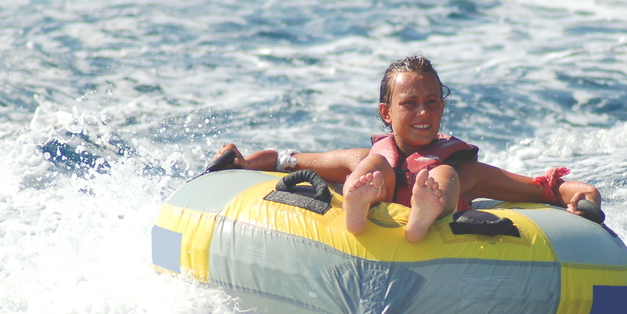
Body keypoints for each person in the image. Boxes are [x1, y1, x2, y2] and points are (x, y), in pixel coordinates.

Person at [216, 54, 601, 242]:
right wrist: (247, 162)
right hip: (371, 186)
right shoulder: (365, 159)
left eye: (432, 102)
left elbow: (540, 189)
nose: (423, 112)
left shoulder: (463, 169)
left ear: (442, 108)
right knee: (371, 168)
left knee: (444, 175)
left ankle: (424, 214)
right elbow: (292, 161)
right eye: (409, 103)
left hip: (435, 206)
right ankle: (357, 207)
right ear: (386, 112)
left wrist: (580, 193)